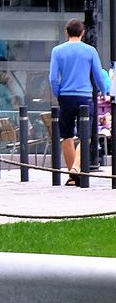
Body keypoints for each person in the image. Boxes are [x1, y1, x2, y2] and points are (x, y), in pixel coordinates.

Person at [48, 18, 110, 184]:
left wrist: (58, 93)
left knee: (66, 135)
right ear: (82, 33)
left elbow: (53, 77)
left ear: (66, 32)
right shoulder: (90, 51)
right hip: (85, 97)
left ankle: (72, 175)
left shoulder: (57, 51)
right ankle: (76, 168)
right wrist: (104, 92)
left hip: (65, 97)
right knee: (86, 135)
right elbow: (98, 75)